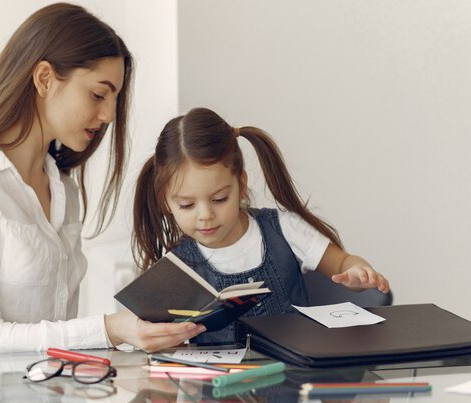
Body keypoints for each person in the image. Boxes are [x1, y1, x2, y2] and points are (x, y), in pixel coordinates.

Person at [0, 3, 204, 357]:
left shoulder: (64, 190)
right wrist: (110, 329)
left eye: (114, 98)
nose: (108, 115)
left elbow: (53, 336)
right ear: (45, 79)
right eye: (97, 94)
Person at [132, 107, 390, 344]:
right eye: (186, 205)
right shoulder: (176, 268)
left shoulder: (283, 229)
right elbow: (162, 341)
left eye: (220, 199)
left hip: (292, 380)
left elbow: (342, 263)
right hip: (215, 390)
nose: (205, 215)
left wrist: (357, 272)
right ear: (165, 202)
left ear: (241, 186)